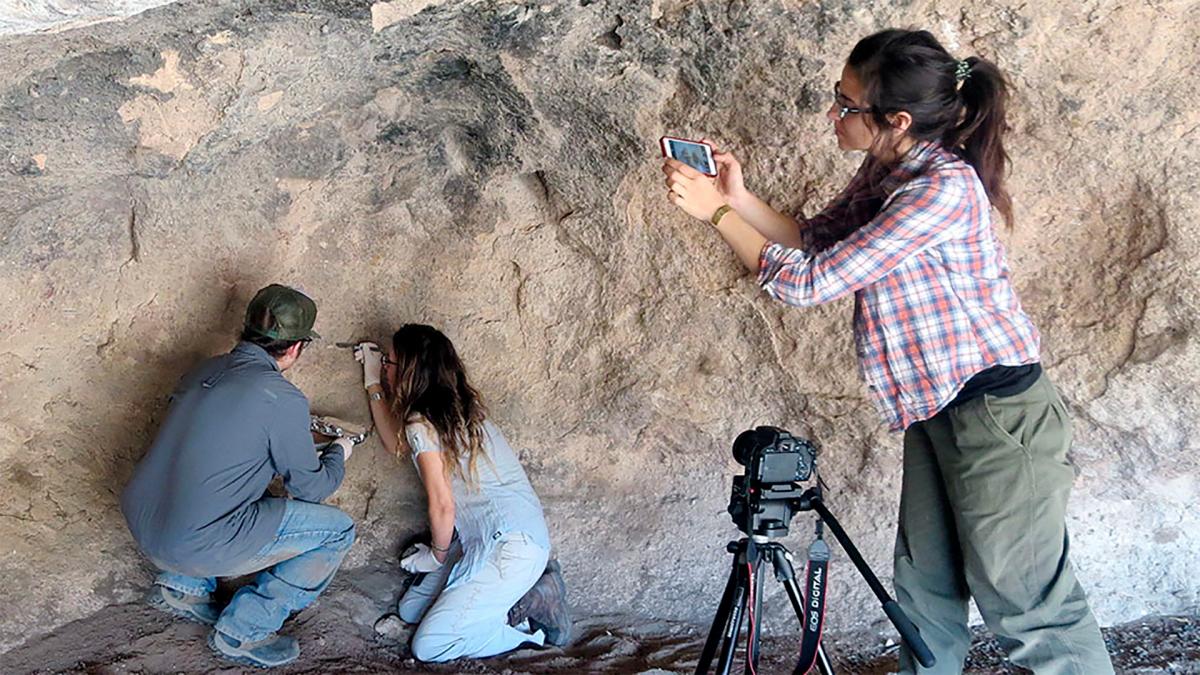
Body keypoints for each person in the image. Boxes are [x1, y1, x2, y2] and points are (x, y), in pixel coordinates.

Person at [662, 29, 1113, 675]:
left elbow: (810, 282)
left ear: (895, 120)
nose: (833, 114)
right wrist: (737, 200)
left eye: (845, 104)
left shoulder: (941, 189)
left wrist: (716, 218)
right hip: (936, 407)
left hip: (997, 415)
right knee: (924, 590)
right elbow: (815, 241)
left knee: (1026, 604)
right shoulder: (891, 168)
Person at [121, 284, 356, 668]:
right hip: (192, 543)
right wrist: (339, 453)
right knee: (338, 532)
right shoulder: (282, 398)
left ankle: (182, 589)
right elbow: (311, 488)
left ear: (246, 329)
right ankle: (243, 632)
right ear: (296, 348)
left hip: (144, 523)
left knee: (223, 486)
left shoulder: (204, 369)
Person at [352, 324, 570, 662]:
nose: (385, 367)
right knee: (410, 611)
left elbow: (442, 506)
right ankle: (506, 600)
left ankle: (529, 622)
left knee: (430, 646)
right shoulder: (456, 412)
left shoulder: (421, 423)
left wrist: (436, 556)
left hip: (509, 549)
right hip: (491, 539)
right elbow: (394, 441)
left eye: (389, 363)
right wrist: (372, 382)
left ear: (410, 372)